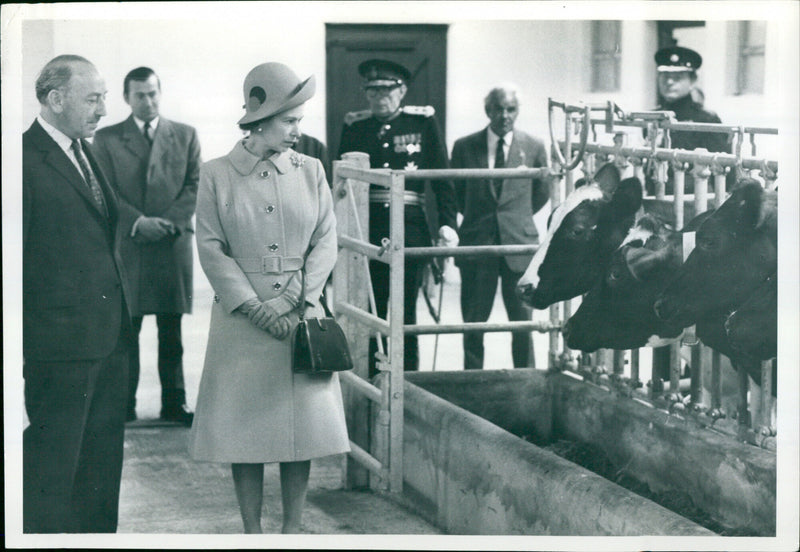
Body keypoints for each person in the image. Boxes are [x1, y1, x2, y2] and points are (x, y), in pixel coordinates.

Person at [189, 62, 349, 534]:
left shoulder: (312, 170)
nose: (299, 131)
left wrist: (296, 301)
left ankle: (292, 529)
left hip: (300, 315)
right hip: (243, 321)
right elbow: (210, 246)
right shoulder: (216, 174)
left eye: (299, 120)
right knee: (246, 434)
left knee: (299, 432)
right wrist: (256, 307)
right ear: (260, 122)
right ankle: (251, 533)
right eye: (290, 121)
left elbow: (326, 239)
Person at [23, 54, 131, 532]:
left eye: (104, 97)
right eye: (94, 98)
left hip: (108, 340)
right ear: (55, 99)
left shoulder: (87, 151)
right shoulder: (21, 160)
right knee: (51, 472)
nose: (104, 109)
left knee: (100, 470)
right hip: (58, 346)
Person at [94, 67, 201, 425]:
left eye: (153, 93)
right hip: (131, 245)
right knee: (127, 332)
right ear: (126, 98)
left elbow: (195, 185)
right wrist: (139, 223)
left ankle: (175, 403)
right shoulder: (107, 139)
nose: (148, 100)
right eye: (140, 94)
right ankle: (123, 404)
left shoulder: (185, 135)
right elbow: (104, 189)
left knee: (172, 333)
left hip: (171, 244)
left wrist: (167, 222)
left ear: (161, 92)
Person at [338, 58, 458, 373]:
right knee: (371, 307)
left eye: (386, 90)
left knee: (405, 312)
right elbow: (342, 185)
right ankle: (372, 377)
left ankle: (409, 380)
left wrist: (447, 222)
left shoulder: (422, 123)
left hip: (411, 228)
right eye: (372, 91)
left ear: (402, 91)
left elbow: (442, 177)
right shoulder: (355, 126)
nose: (379, 97)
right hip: (367, 229)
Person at [451, 85, 550, 370]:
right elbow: (455, 192)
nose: (505, 116)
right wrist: (479, 218)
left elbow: (542, 191)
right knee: (473, 323)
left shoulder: (533, 146)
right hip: (477, 243)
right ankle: (472, 382)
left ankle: (526, 381)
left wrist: (515, 218)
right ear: (488, 111)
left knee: (521, 324)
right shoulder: (464, 146)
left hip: (519, 246)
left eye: (511, 109)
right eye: (498, 109)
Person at [646, 45, 732, 195]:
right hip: (655, 197)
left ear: (692, 81)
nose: (669, 82)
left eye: (678, 77)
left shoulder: (706, 120)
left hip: (694, 202)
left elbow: (726, 169)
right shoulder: (652, 117)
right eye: (665, 76)